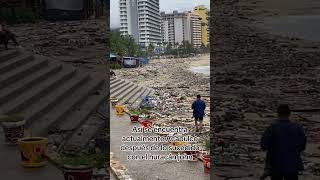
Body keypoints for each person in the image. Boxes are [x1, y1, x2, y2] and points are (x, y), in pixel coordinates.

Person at [261, 104, 307, 180]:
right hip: (292, 164)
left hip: (276, 164)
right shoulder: (297, 128)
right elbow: (302, 146)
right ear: (289, 114)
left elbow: (264, 146)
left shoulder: (272, 128)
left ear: (278, 114)